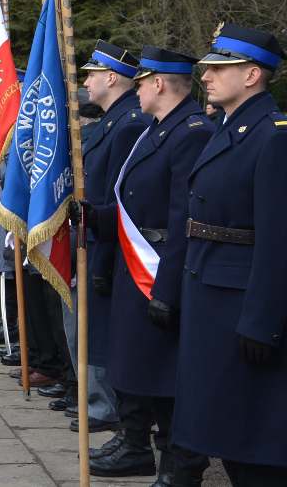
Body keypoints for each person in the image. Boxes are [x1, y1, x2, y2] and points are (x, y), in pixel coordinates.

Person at [77, 46, 213, 482]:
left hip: (159, 266)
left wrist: (166, 289)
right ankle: (135, 444)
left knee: (165, 376)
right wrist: (95, 217)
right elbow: (133, 204)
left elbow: (180, 217)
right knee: (135, 365)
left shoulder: (191, 132)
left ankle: (177, 463)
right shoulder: (155, 130)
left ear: (158, 83)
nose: (135, 90)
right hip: (134, 264)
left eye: (140, 82)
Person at [173, 23, 287, 486]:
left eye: (220, 69)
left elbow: (278, 239)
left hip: (240, 302)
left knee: (252, 442)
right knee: (225, 430)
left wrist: (262, 320)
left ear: (253, 75)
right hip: (212, 292)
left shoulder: (273, 137)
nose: (206, 76)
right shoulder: (230, 129)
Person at [76, 40, 148, 433]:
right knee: (88, 328)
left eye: (92, 74)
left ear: (112, 77)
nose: (86, 82)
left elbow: (118, 198)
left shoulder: (129, 123)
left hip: (107, 244)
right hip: (94, 237)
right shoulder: (111, 121)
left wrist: (102, 261)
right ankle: (91, 398)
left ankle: (106, 406)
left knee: (101, 331)